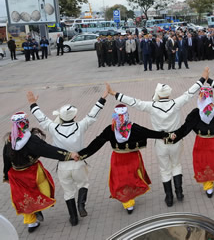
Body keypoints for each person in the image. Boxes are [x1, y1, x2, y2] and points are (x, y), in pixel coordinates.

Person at [108, 68, 208, 206]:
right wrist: (202, 78)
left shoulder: (151, 106)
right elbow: (190, 93)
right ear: (168, 94)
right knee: (176, 165)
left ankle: (169, 197)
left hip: (161, 143)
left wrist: (116, 94)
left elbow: (134, 102)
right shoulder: (176, 103)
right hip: (176, 141)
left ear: (158, 94)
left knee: (164, 169)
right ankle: (179, 192)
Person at [28, 90, 108, 225]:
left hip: (63, 165)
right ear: (75, 116)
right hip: (78, 163)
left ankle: (73, 218)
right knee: (83, 184)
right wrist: (102, 98)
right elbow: (93, 115)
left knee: (68, 192)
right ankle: (81, 205)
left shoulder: (53, 127)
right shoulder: (80, 125)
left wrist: (33, 104)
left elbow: (41, 118)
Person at [78, 105, 170, 214]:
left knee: (120, 180)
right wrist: (165, 135)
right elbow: (148, 133)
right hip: (132, 157)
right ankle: (130, 198)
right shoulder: (134, 128)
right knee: (132, 178)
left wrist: (82, 154)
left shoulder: (110, 129)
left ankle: (127, 202)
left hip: (118, 158)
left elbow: (97, 142)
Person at [3, 112, 79, 233]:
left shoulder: (10, 140)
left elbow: (6, 160)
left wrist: (6, 175)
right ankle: (32, 221)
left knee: (25, 198)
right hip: (31, 173)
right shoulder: (29, 140)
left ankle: (34, 216)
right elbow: (48, 150)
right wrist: (69, 154)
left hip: (17, 175)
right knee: (35, 194)